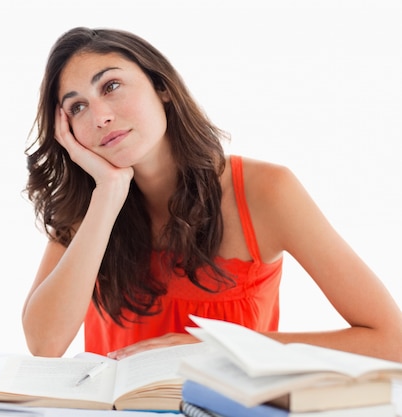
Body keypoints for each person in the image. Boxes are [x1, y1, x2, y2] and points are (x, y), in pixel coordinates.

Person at [21, 27, 402, 362]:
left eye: (111, 86)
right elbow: (45, 345)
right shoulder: (87, 205)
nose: (100, 116)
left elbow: (391, 341)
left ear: (162, 88)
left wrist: (215, 347)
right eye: (77, 106)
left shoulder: (265, 190)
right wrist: (108, 194)